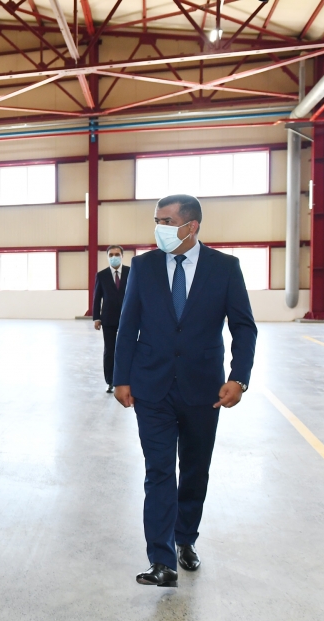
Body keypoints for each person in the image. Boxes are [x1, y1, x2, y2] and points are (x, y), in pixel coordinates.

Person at [113, 194, 257, 588]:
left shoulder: (224, 268)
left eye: (166, 221)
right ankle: (161, 560)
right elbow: (128, 324)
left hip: (204, 389)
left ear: (191, 226)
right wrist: (121, 378)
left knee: (194, 471)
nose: (158, 228)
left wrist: (239, 378)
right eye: (156, 220)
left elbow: (244, 327)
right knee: (159, 471)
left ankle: (185, 538)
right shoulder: (143, 267)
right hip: (152, 387)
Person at [93, 245, 129, 393]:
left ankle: (126, 379)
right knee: (109, 350)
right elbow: (97, 298)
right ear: (107, 257)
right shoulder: (102, 275)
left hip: (128, 318)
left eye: (117, 254)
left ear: (122, 256)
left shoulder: (131, 272)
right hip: (108, 319)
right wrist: (96, 317)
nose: (114, 257)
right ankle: (110, 381)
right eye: (111, 255)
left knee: (127, 348)